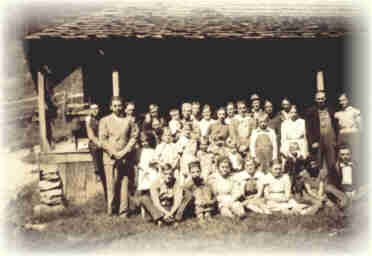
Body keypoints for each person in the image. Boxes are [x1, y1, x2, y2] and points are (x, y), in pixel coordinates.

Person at [99, 96, 139, 217]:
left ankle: (123, 211)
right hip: (110, 157)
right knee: (111, 184)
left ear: (123, 107)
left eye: (119, 105)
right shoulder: (104, 120)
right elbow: (103, 140)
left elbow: (134, 137)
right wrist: (114, 153)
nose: (117, 108)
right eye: (115, 106)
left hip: (125, 157)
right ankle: (111, 210)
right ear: (111, 107)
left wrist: (125, 151)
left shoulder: (129, 120)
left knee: (124, 184)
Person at [304, 91, 338, 175]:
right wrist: (312, 142)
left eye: (322, 98)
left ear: (325, 99)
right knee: (318, 161)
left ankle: (332, 181)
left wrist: (336, 139)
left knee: (332, 161)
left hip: (330, 138)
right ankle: (320, 183)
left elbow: (336, 125)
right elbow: (308, 129)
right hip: (318, 140)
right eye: (318, 99)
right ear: (315, 100)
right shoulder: (310, 111)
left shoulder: (331, 110)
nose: (320, 100)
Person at [334, 93, 362, 165]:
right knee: (342, 156)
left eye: (343, 100)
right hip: (342, 136)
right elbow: (336, 128)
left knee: (355, 156)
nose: (342, 102)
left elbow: (360, 126)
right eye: (340, 101)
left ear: (347, 100)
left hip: (353, 135)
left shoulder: (355, 111)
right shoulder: (337, 114)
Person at [85, 104, 104, 184]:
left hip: (101, 140)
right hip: (94, 140)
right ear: (90, 110)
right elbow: (90, 135)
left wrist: (102, 141)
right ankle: (97, 172)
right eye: (93, 109)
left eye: (96, 109)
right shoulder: (88, 119)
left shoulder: (101, 119)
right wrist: (98, 142)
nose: (95, 110)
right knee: (94, 148)